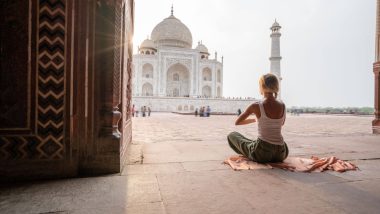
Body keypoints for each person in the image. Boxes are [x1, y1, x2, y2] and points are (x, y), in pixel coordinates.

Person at [227, 73, 288, 163]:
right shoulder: (282, 105)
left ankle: (251, 152)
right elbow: (281, 123)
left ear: (262, 87)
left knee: (232, 135)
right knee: (255, 142)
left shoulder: (256, 105)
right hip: (281, 153)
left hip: (262, 153)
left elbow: (238, 122)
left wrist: (254, 120)